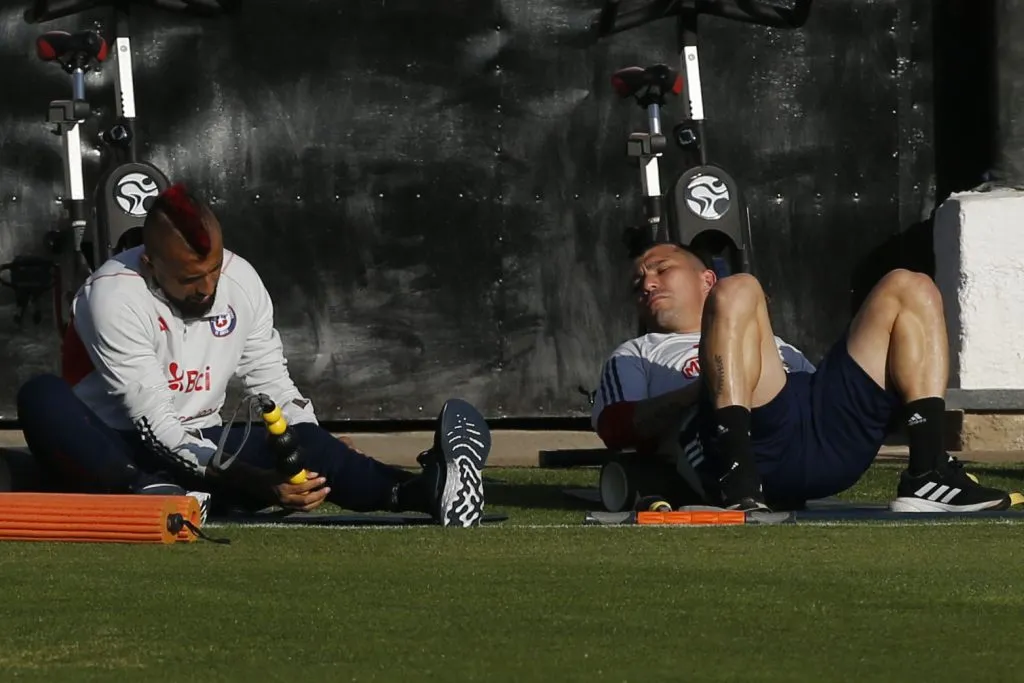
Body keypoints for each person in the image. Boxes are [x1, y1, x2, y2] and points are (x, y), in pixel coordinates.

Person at [16, 183, 491, 527]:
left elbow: (270, 382)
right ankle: (152, 496)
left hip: (204, 442)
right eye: (188, 280)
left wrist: (308, 437)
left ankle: (423, 490)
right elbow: (154, 424)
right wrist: (255, 483)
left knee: (305, 443)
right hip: (118, 443)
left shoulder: (241, 281)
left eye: (213, 272)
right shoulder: (113, 294)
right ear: (150, 263)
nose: (206, 289)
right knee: (41, 398)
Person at [591, 241, 1013, 513]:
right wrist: (695, 391)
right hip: (747, 446)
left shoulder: (776, 341)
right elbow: (616, 428)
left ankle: (927, 474)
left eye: (660, 268)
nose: (646, 282)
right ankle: (740, 483)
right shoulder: (636, 353)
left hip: (820, 434)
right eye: (638, 282)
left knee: (910, 285)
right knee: (740, 288)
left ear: (704, 278)